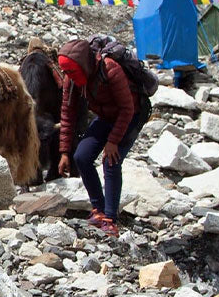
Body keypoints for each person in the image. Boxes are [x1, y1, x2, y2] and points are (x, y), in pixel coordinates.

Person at [56, 39, 152, 237]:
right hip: (106, 116)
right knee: (81, 157)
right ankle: (98, 210)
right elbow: (67, 113)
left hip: (131, 116)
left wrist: (113, 141)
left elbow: (127, 108)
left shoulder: (110, 70)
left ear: (83, 65)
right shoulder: (71, 79)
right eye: (65, 72)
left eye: (70, 72)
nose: (67, 76)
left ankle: (110, 218)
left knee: (111, 161)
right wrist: (65, 151)